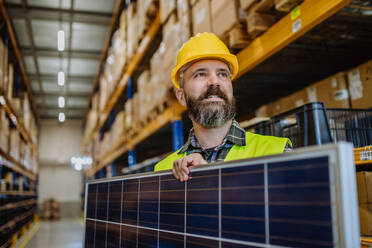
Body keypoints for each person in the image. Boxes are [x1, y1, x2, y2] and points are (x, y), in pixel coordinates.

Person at [154, 33, 291, 181]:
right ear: (181, 97)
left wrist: (208, 175)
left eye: (223, 74)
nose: (214, 81)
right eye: (200, 74)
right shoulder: (163, 172)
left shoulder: (277, 152)